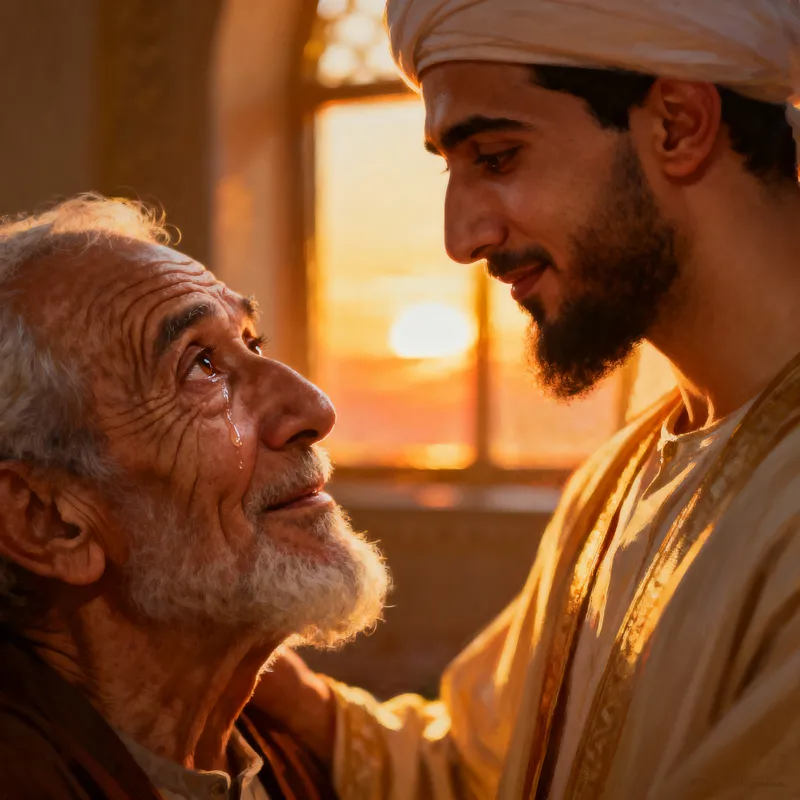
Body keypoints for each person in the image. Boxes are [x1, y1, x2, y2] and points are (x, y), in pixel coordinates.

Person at [248, 1, 800, 798]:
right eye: (454, 168)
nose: (461, 236)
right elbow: (482, 769)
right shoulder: (622, 479)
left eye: (498, 157)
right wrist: (284, 696)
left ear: (678, 125)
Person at [0, 194, 390, 800]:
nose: (314, 409)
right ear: (48, 520)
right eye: (200, 365)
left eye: (252, 344)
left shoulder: (273, 749)